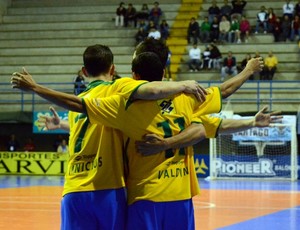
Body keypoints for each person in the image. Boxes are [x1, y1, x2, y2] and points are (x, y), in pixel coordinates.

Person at [11, 38, 263, 230]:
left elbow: (83, 110)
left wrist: (39, 92)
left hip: (134, 194)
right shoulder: (187, 99)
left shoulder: (122, 105)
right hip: (177, 194)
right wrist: (248, 70)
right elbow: (214, 111)